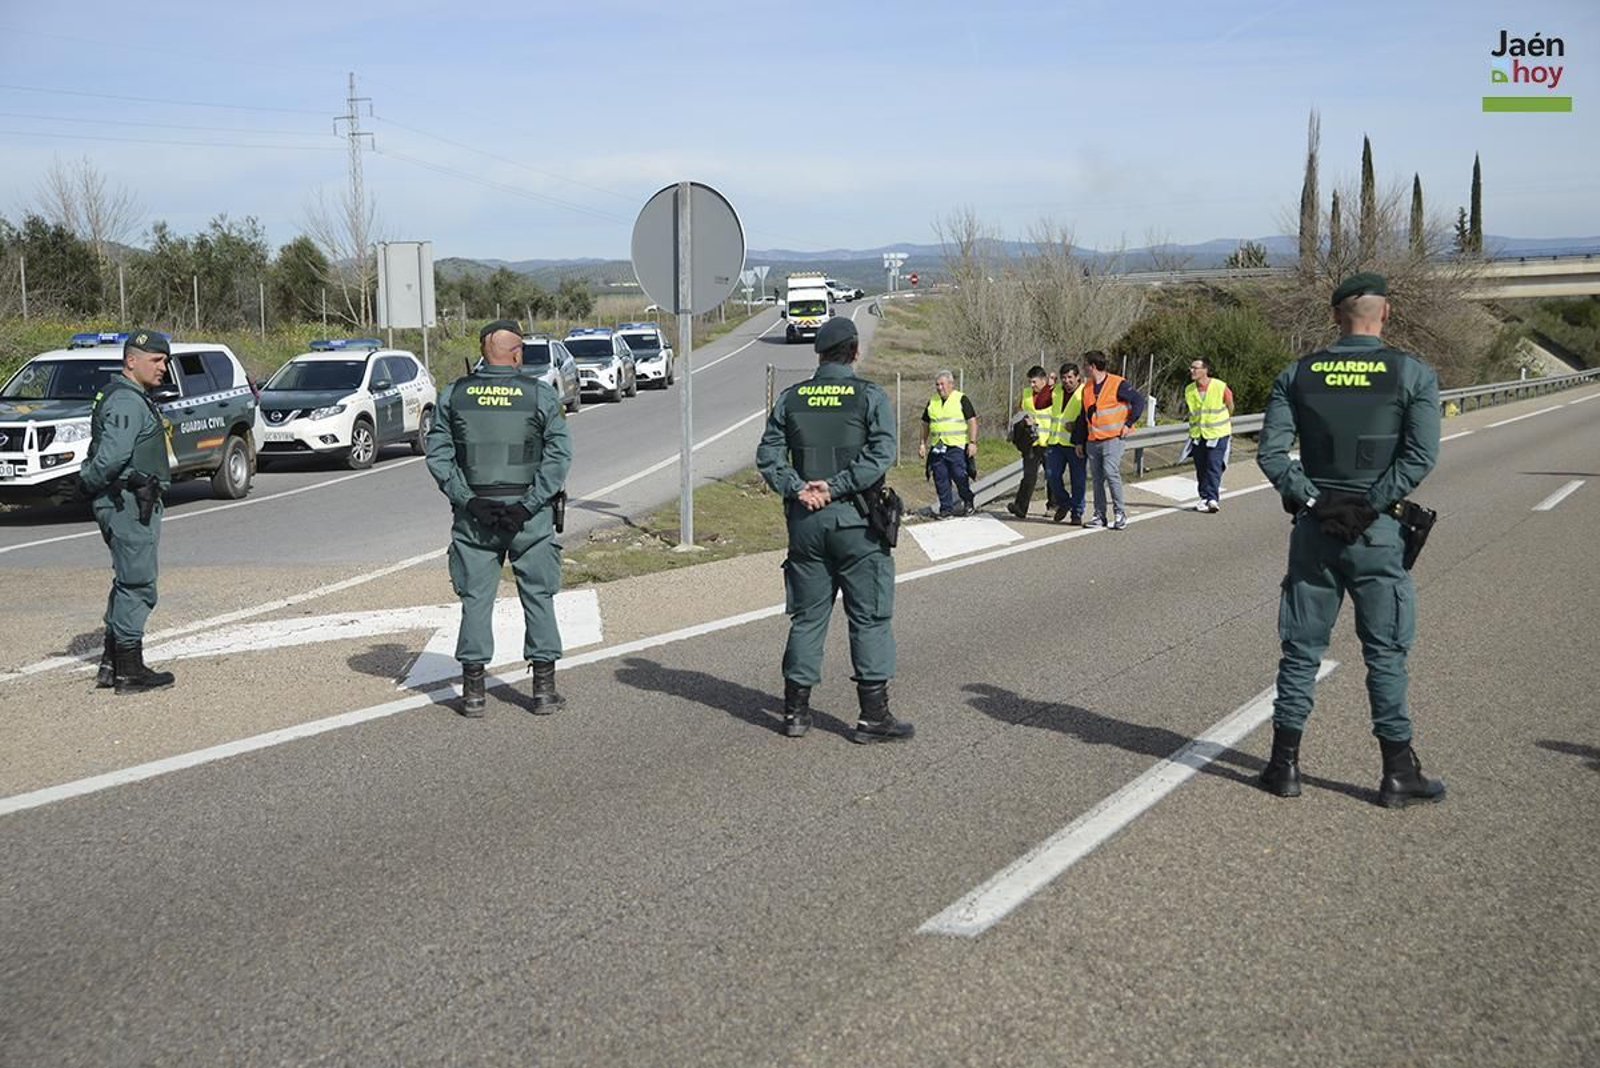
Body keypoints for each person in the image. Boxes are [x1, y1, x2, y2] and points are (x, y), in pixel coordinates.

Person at [1256, 272, 1445, 808]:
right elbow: (1420, 456)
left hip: (1316, 532)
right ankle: (1397, 774)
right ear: (1383, 313)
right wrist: (1370, 503)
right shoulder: (1412, 373)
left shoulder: (1297, 374)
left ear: (1335, 315)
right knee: (1385, 652)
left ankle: (1283, 767)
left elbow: (1271, 455)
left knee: (1300, 651)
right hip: (1377, 530)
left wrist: (1316, 501)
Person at [756, 316, 912, 744]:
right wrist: (837, 486)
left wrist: (798, 488)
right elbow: (882, 452)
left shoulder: (792, 398)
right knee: (869, 617)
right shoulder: (868, 396)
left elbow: (769, 456)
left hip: (806, 523)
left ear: (820, 354)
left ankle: (795, 713)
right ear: (855, 352)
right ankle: (872, 717)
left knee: (807, 618)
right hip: (857, 523)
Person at [425, 319, 572, 717]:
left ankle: (473, 695)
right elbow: (558, 458)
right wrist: (528, 504)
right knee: (538, 597)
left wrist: (468, 500)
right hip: (530, 520)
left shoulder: (453, 395)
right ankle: (543, 691)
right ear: (517, 353)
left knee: (476, 601)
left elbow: (438, 456)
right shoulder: (539, 395)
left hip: (476, 518)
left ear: (481, 352)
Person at [78, 330, 177, 694]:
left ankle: (110, 665)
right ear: (131, 361)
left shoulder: (129, 395)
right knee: (138, 584)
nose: (163, 367)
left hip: (128, 500)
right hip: (129, 503)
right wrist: (88, 482)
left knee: (126, 581)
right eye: (156, 360)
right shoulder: (127, 401)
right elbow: (113, 456)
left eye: (164, 361)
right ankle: (130, 673)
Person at [1073, 351, 1145, 530]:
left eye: (1085, 364)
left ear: (1093, 366)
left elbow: (1138, 401)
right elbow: (1084, 416)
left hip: (1113, 438)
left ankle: (1120, 513)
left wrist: (1128, 424)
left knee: (1110, 472)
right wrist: (1079, 441)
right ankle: (1099, 515)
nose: (1083, 368)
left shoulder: (1117, 383)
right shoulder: (1087, 387)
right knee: (1097, 479)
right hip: (1093, 440)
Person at [918, 370, 977, 519]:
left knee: (959, 475)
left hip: (956, 446)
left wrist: (972, 442)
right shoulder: (932, 401)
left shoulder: (961, 399)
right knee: (940, 478)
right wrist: (922, 444)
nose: (939, 388)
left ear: (951, 384)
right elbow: (925, 423)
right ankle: (946, 509)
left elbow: (972, 421)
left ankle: (968, 500)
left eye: (942, 384)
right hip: (938, 446)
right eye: (937, 385)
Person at [1179, 357, 1234, 513]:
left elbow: (1230, 405)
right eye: (1191, 368)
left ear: (1205, 370)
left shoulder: (1219, 386)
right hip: (1198, 434)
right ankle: (1204, 497)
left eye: (1195, 368)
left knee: (1213, 465)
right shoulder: (1189, 389)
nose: (1192, 370)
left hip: (1218, 433)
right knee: (1201, 467)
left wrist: (1223, 420)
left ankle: (1212, 499)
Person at [1006, 365, 1055, 520]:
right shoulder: (1026, 394)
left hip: (1048, 441)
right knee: (1029, 476)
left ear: (1043, 380)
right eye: (1030, 382)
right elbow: (1021, 411)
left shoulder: (1053, 394)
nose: (1032, 385)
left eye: (1034, 382)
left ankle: (1053, 506)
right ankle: (1021, 507)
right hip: (1031, 443)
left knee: (1052, 476)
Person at [1045, 361, 1087, 524]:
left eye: (1070, 377)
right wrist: (1049, 386)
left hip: (1076, 443)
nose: (1066, 381)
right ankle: (1064, 502)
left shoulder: (1085, 392)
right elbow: (1041, 403)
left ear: (1077, 377)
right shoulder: (1056, 390)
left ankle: (1077, 512)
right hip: (1055, 442)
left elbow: (1089, 416)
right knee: (1051, 476)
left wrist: (1077, 427)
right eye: (1063, 378)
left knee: (1078, 479)